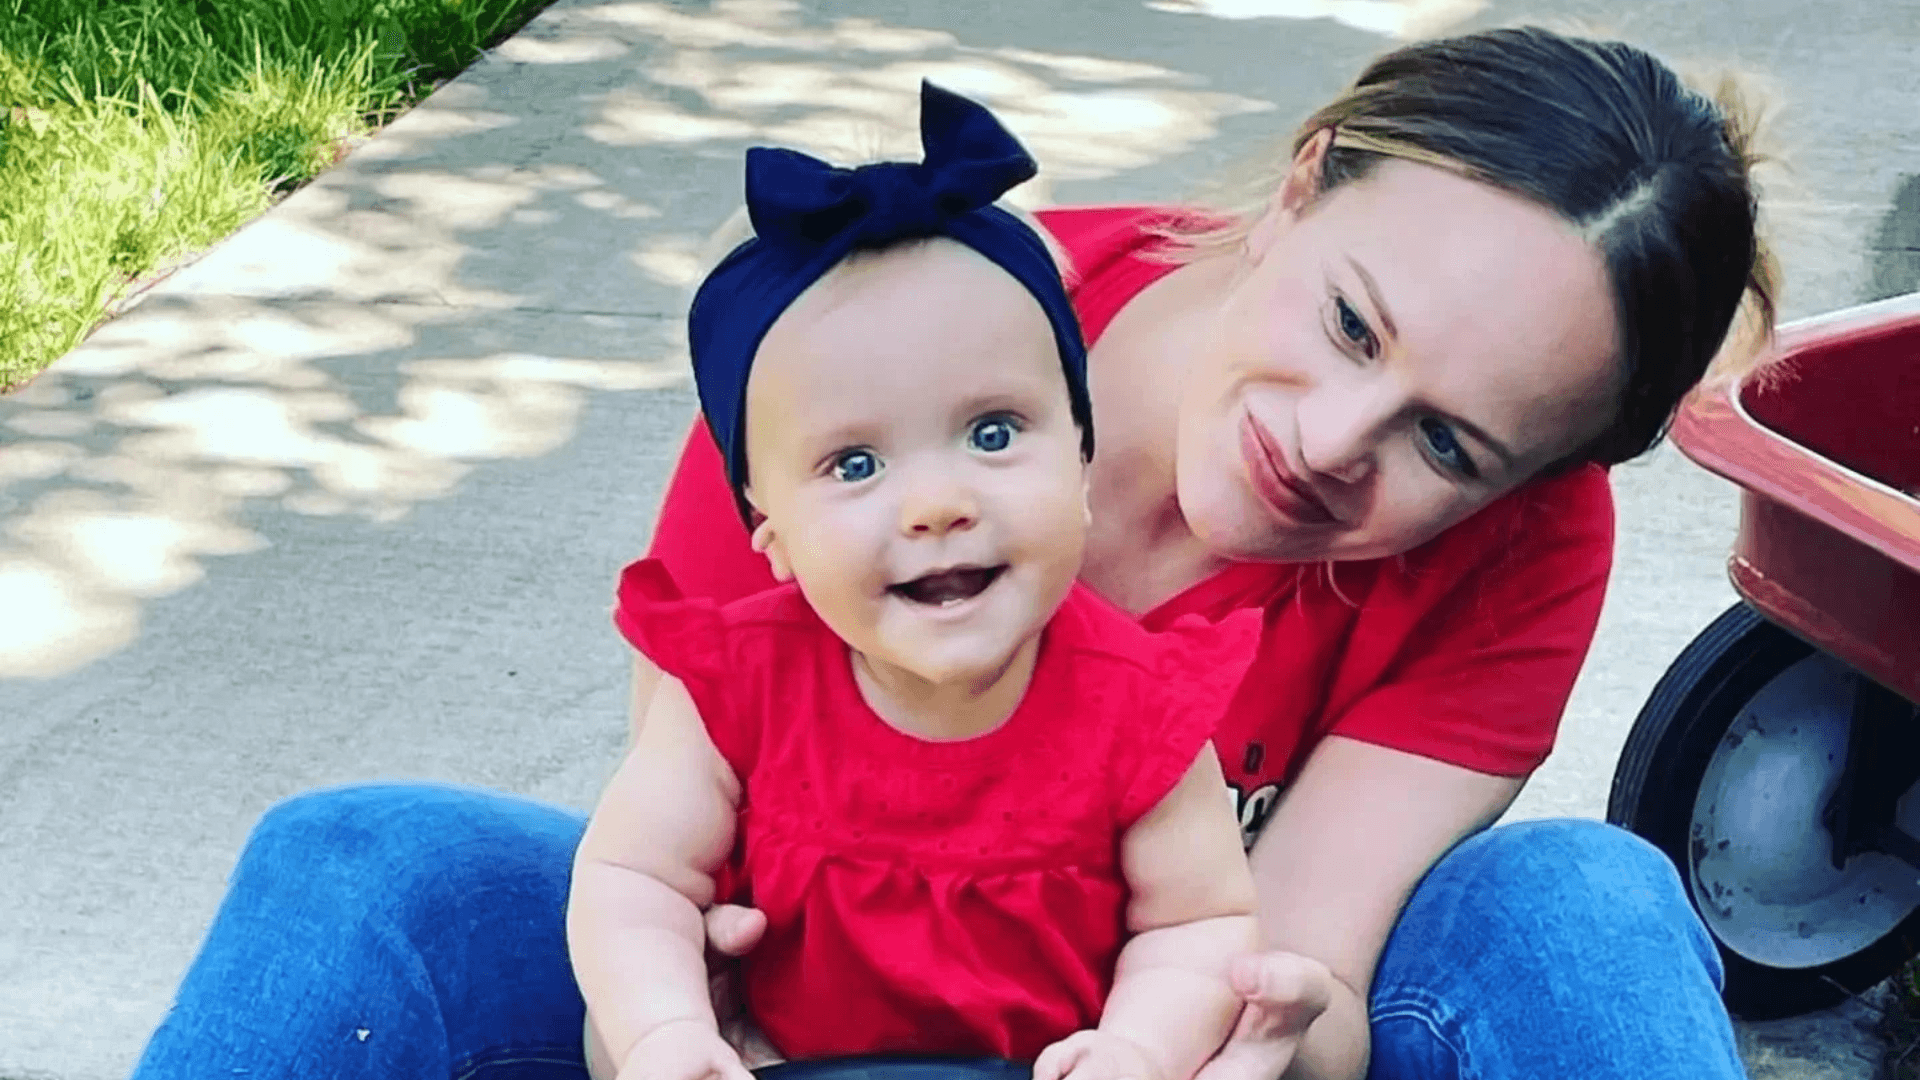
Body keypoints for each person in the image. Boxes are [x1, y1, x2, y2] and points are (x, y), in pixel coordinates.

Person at [131, 25, 1775, 1080]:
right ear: (1304, 185)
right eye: (1352, 323)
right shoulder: (884, 336)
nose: (1333, 441)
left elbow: (1291, 959)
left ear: (1533, 476)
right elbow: (689, 846)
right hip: (808, 989)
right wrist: (667, 1026)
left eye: (1450, 445)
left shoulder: (1523, 549)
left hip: (1153, 1023)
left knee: (1584, 906)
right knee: (361, 861)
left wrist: (1252, 1035)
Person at [573, 82, 1260, 1080]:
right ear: (771, 532)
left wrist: (1139, 1049)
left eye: (993, 433)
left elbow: (1199, 924)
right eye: (855, 464)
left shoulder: (1140, 709)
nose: (936, 504)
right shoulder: (734, 692)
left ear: (1081, 463)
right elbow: (636, 878)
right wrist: (664, 1031)